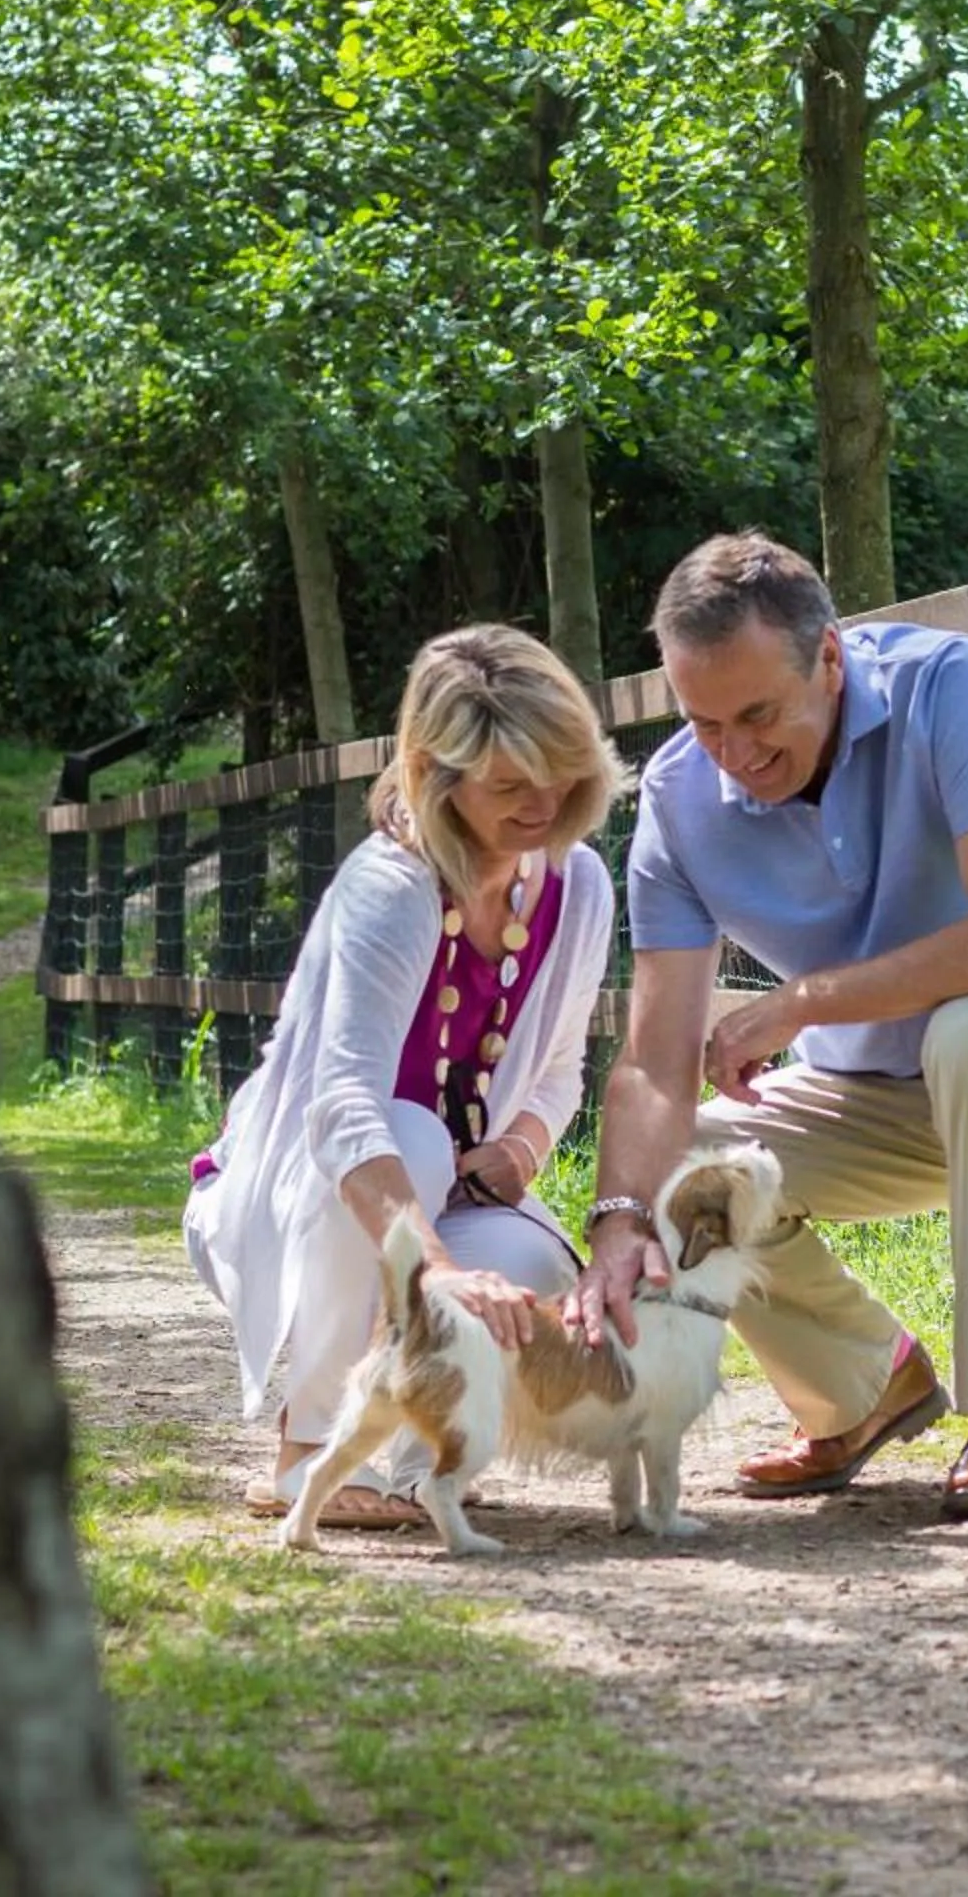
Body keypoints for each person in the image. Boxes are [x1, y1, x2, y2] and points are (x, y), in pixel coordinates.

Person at [563, 533, 968, 1517]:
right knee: (687, 1162)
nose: (735, 752)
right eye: (703, 721)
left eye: (759, 712)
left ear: (831, 658)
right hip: (879, 1098)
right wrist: (618, 1225)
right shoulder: (676, 800)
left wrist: (804, 1001)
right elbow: (654, 1063)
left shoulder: (950, 686)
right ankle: (858, 1387)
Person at [187, 625, 628, 1531]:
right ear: (436, 774)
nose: (545, 801)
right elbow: (342, 1105)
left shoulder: (579, 885)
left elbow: (559, 1069)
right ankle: (307, 1442)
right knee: (413, 1136)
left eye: (560, 772)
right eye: (511, 783)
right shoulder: (388, 887)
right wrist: (435, 1271)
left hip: (447, 1190)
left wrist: (519, 1146)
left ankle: (407, 1461)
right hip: (314, 1192)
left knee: (531, 1261)